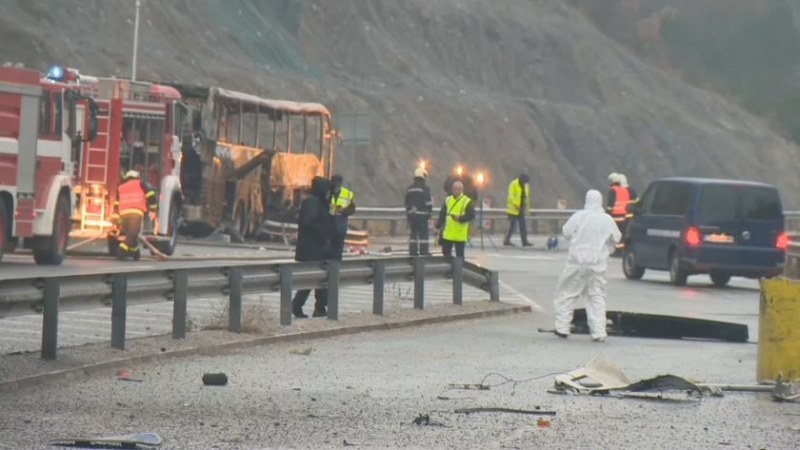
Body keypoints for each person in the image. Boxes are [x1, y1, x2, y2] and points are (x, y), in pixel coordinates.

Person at [552, 190, 621, 342]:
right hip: (597, 266)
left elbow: (567, 233)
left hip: (576, 264)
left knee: (566, 294)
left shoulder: (579, 216)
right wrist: (606, 246)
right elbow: (617, 237)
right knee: (596, 297)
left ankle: (562, 328)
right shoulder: (607, 219)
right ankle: (599, 332)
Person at [292, 176, 335, 318]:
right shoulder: (312, 202)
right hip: (312, 248)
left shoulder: (318, 201)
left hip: (316, 248)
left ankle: (306, 307)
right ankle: (314, 308)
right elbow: (309, 223)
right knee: (317, 279)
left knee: (316, 279)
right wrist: (322, 235)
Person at [113, 170, 158, 260]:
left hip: (123, 214)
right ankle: (121, 250)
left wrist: (116, 219)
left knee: (131, 234)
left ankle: (135, 251)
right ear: (137, 177)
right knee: (133, 233)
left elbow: (116, 203)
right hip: (136, 212)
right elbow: (150, 195)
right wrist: (153, 209)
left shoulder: (121, 187)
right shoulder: (140, 183)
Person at [435, 181, 475, 259]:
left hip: (460, 234)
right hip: (448, 233)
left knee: (459, 256)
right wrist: (438, 224)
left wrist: (460, 218)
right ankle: (449, 269)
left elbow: (471, 215)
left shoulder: (467, 201)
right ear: (452, 189)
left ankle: (459, 270)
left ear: (462, 190)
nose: (456, 191)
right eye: (455, 189)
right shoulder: (448, 200)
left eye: (458, 189)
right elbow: (442, 213)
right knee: (446, 254)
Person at [405, 167, 433, 256]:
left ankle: (412, 252)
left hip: (412, 216)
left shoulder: (409, 188)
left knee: (413, 234)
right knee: (423, 235)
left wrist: (409, 213)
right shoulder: (425, 188)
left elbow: (406, 203)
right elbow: (428, 202)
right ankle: (423, 252)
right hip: (422, 216)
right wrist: (429, 212)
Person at [329, 175, 356, 259]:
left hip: (341, 221)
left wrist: (342, 211)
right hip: (329, 221)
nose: (336, 184)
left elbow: (352, 209)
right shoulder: (326, 192)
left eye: (338, 182)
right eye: (334, 182)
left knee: (338, 245)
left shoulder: (348, 194)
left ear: (341, 183)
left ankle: (336, 263)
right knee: (329, 244)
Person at [504, 173, 533, 247]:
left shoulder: (526, 186)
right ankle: (506, 240)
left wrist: (527, 209)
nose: (525, 183)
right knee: (511, 226)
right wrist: (516, 205)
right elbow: (511, 196)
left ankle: (524, 241)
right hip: (513, 209)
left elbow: (527, 198)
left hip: (521, 209)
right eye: (524, 182)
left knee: (523, 226)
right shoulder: (513, 184)